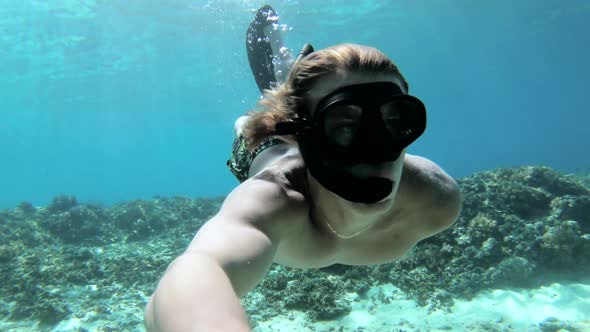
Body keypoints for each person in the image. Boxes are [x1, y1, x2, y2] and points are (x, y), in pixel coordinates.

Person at [145, 5, 461, 332]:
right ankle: (277, 99)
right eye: (342, 125)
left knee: (295, 95)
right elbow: (196, 270)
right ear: (305, 136)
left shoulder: (436, 198)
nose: (376, 147)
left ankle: (300, 81)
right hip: (267, 152)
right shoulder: (272, 199)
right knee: (254, 128)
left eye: (394, 121)